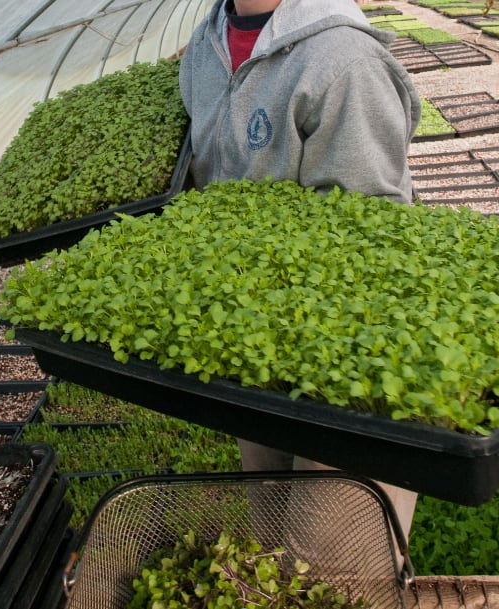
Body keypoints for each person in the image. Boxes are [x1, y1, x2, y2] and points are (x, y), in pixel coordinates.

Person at [178, 0, 421, 545]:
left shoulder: (344, 62)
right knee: (270, 524)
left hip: (346, 361)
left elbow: (372, 235)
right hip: (252, 342)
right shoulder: (206, 44)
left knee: (333, 561)